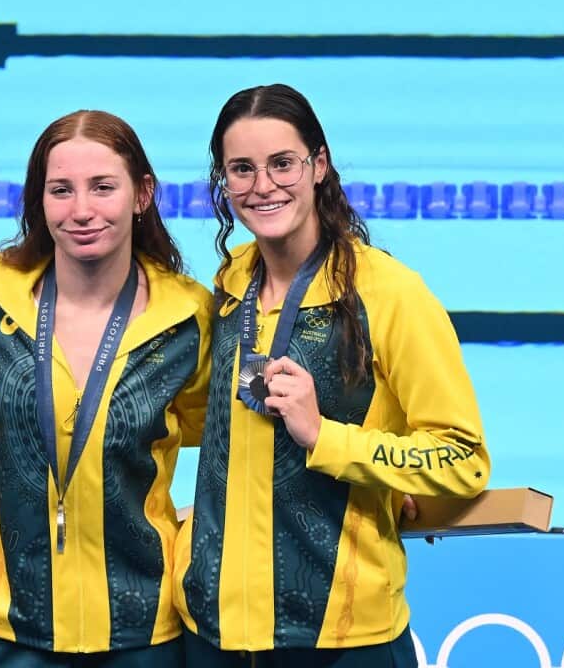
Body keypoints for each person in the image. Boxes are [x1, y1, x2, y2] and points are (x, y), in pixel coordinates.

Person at [174, 83, 491, 667]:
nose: (262, 186)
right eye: (241, 169)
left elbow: (463, 458)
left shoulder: (389, 295)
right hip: (212, 631)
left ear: (319, 165)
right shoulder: (227, 286)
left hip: (341, 639)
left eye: (282, 164)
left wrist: (327, 437)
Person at [0, 110, 211, 667]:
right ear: (39, 202)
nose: (82, 211)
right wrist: (22, 480)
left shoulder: (188, 315)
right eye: (61, 190)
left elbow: (218, 435)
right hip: (6, 627)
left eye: (103, 187)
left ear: (142, 194)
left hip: (141, 627)